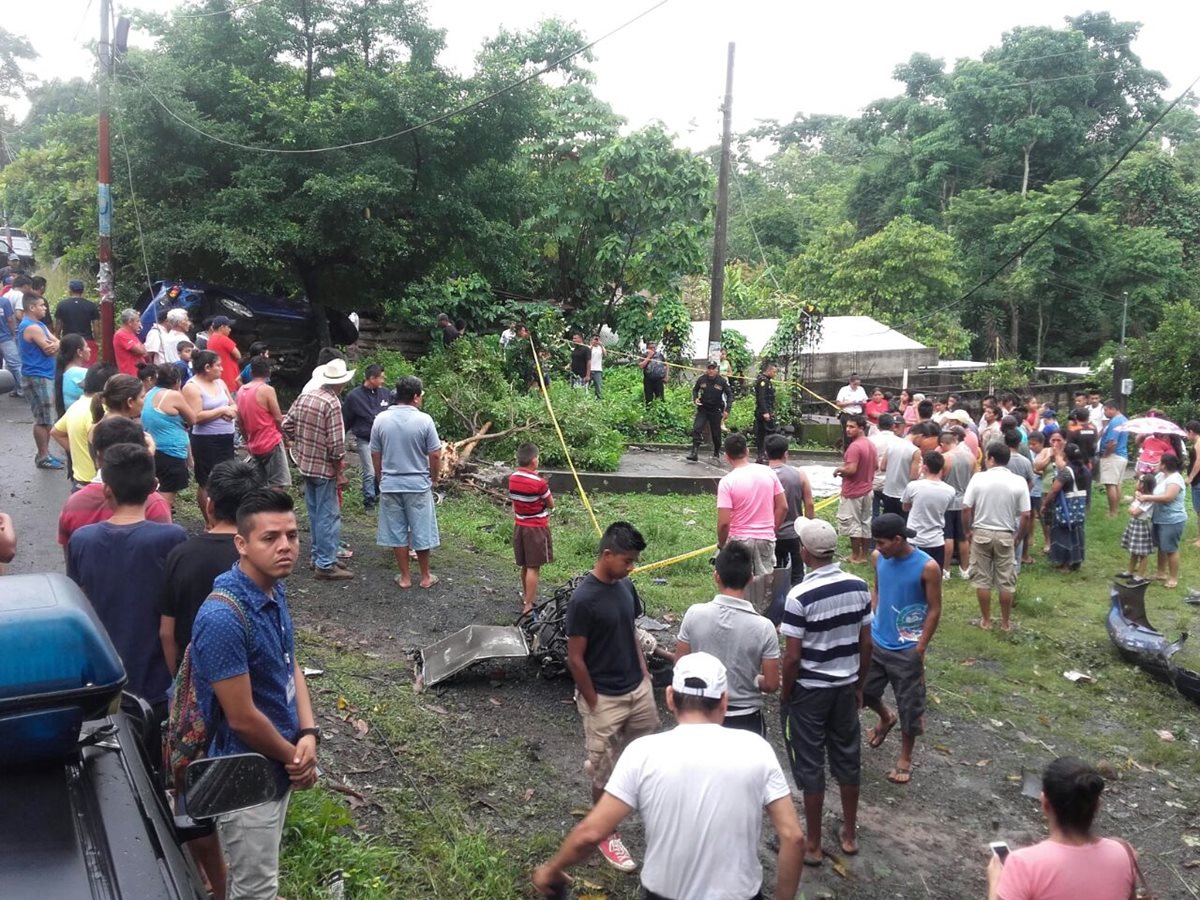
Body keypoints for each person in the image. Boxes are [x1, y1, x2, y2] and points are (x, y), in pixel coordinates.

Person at [532, 652, 803, 900]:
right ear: (724, 702)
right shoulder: (756, 748)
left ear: (670, 697)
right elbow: (792, 837)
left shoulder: (643, 753)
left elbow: (592, 833)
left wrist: (552, 868)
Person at [190, 488, 320, 900]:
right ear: (241, 544)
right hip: (245, 776)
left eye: (292, 535)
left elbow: (289, 663)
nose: (285, 547)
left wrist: (309, 732)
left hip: (281, 759)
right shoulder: (223, 616)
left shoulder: (272, 589)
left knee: (262, 873)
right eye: (270, 538)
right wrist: (295, 758)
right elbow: (241, 717)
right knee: (254, 889)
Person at [67, 443, 187, 735]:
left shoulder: (82, 540)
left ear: (106, 490)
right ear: (154, 486)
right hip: (158, 682)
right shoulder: (172, 537)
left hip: (103, 681)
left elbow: (78, 604)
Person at [564, 521, 660, 873]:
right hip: (604, 698)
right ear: (607, 555)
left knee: (643, 754)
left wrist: (644, 674)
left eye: (634, 561)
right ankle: (606, 831)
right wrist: (593, 702)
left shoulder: (625, 587)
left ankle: (642, 807)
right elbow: (575, 658)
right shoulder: (583, 600)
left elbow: (630, 633)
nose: (632, 567)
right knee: (603, 772)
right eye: (628, 560)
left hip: (637, 690)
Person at [780, 516, 872, 862]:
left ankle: (814, 844)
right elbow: (866, 643)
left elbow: (791, 657)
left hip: (810, 690)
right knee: (848, 757)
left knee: (810, 762)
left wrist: (787, 694)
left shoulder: (799, 595)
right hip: (845, 686)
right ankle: (849, 833)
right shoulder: (859, 586)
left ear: (804, 553)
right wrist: (859, 683)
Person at [986, 757, 1138, 900]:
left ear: (1044, 803)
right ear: (1098, 805)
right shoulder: (1124, 853)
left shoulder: (1024, 864)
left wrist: (995, 881)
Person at [864, 513, 941, 786]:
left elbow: (934, 609)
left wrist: (920, 648)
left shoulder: (927, 567)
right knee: (863, 693)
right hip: (877, 641)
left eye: (882, 543)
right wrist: (872, 619)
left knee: (910, 704)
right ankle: (886, 717)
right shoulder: (878, 558)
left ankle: (905, 757)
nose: (878, 548)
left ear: (898, 540)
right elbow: (878, 590)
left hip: (907, 648)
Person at [676, 542, 779, 736]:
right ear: (750, 579)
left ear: (716, 576)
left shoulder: (694, 614)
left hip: (701, 712)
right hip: (746, 719)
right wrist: (753, 679)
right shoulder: (764, 627)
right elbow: (772, 684)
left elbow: (680, 663)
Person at [283, 358, 356, 581]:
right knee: (328, 515)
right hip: (324, 468)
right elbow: (335, 445)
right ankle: (325, 564)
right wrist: (340, 470)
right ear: (340, 383)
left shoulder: (306, 396)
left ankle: (320, 556)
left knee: (315, 513)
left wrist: (301, 442)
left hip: (306, 464)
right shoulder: (332, 403)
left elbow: (286, 424)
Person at [370, 374, 441, 589]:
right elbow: (435, 454)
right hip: (418, 483)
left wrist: (380, 476)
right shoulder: (424, 420)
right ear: (416, 397)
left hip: (391, 483)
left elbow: (375, 452)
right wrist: (434, 478)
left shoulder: (381, 419)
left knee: (396, 531)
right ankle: (426, 576)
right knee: (421, 529)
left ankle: (405, 577)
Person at [962, 444, 1032, 631]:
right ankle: (1006, 622)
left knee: (982, 579)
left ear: (991, 458)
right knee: (1005, 580)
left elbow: (967, 507)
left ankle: (986, 620)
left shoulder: (979, 478)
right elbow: (1026, 514)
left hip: (981, 532)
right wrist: (1019, 537)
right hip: (1006, 533)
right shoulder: (1019, 481)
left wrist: (968, 531)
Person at [716, 433, 787, 580]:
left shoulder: (727, 482)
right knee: (764, 585)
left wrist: (722, 545)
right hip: (765, 538)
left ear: (727, 456)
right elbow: (783, 507)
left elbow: (724, 523)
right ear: (747, 451)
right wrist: (770, 530)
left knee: (738, 582)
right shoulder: (768, 472)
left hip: (739, 540)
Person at [184, 350, 238, 527]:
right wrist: (221, 411)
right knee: (206, 480)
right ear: (207, 367)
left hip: (226, 437)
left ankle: (224, 517)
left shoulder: (220, 383)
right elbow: (195, 416)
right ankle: (209, 521)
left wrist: (231, 412)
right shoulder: (192, 387)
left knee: (227, 477)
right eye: (218, 365)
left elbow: (233, 404)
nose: (222, 369)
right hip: (206, 440)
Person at [51, 362, 117, 490]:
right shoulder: (103, 412)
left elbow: (56, 432)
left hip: (79, 481)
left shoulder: (76, 406)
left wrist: (78, 450)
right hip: (98, 482)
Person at [18, 293, 64, 469]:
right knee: (43, 419)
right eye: (41, 305)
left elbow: (57, 342)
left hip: (44, 374)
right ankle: (43, 456)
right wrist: (56, 345)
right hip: (37, 376)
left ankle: (45, 454)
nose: (45, 308)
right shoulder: (32, 327)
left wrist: (57, 344)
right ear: (31, 307)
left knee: (47, 417)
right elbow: (49, 349)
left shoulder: (40, 325)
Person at [141, 364, 197, 507]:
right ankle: (161, 525)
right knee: (166, 499)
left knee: (154, 493)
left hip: (152, 449)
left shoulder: (150, 392)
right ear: (177, 381)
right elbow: (193, 419)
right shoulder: (173, 395)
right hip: (171, 452)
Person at [763, 433, 814, 586]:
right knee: (797, 575)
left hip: (769, 534)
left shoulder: (761, 476)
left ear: (766, 453)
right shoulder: (799, 474)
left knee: (771, 576)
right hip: (794, 533)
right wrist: (808, 530)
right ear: (786, 454)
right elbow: (809, 505)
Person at [509, 442, 554, 615]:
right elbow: (550, 503)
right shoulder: (540, 483)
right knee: (534, 567)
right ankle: (528, 605)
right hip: (536, 528)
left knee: (525, 565)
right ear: (534, 460)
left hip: (520, 526)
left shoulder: (512, 478)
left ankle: (527, 596)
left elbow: (515, 501)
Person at [342, 364, 393, 510]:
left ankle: (378, 494)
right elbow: (346, 419)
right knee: (369, 471)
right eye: (381, 377)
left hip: (383, 439)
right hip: (365, 439)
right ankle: (368, 501)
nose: (384, 380)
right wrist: (341, 438)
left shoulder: (385, 394)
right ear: (372, 378)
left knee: (382, 469)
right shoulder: (354, 397)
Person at [236, 356, 290, 488]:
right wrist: (286, 438)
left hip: (254, 444)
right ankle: (275, 509)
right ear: (268, 372)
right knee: (277, 483)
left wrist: (248, 441)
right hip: (271, 442)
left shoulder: (241, 391)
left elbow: (240, 422)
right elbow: (277, 418)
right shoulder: (267, 390)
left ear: (251, 372)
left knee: (259, 484)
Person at [1136, 453, 1188, 589]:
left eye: (1159, 462)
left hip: (1172, 519)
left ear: (1164, 465)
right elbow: (1152, 490)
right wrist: (1141, 491)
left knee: (1171, 548)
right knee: (1161, 546)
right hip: (1159, 518)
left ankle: (1173, 578)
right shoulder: (1160, 476)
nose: (1157, 464)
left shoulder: (1175, 479)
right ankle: (1161, 573)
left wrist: (1146, 497)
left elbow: (1168, 498)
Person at [902, 450, 956, 572]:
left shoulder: (913, 486)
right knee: (934, 577)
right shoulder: (950, 490)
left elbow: (905, 507)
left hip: (915, 538)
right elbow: (947, 509)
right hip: (937, 540)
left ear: (925, 467)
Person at [835, 415, 877, 565]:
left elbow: (851, 470)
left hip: (854, 491)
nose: (848, 429)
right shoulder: (870, 444)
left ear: (861, 428)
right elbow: (876, 466)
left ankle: (854, 555)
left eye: (852, 427)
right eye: (847, 426)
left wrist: (839, 469)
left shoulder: (855, 446)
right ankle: (864, 556)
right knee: (866, 523)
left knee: (853, 524)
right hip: (868, 489)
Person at [1046, 442, 1091, 573]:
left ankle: (1064, 564)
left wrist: (1045, 504)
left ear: (1066, 455)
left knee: (1063, 534)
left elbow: (1054, 490)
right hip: (1080, 508)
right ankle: (1076, 561)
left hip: (1065, 508)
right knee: (1077, 533)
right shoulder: (1085, 470)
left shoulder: (1066, 472)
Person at [939, 427, 975, 580]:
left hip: (948, 501)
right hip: (965, 500)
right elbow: (973, 477)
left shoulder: (945, 458)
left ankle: (945, 569)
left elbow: (940, 479)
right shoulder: (971, 457)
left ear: (942, 444)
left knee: (947, 536)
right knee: (963, 537)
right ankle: (965, 569)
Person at [686, 360, 731, 461]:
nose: (711, 371)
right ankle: (694, 452)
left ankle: (716, 452)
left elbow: (730, 395)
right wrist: (695, 398)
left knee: (716, 433)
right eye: (709, 368)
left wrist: (727, 410)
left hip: (716, 409)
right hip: (703, 408)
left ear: (717, 370)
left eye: (713, 369)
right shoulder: (702, 379)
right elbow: (695, 389)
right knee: (696, 428)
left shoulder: (722, 381)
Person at [881, 414, 920, 517]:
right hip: (903, 494)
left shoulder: (891, 445)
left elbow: (883, 467)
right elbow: (913, 476)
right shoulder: (915, 450)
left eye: (898, 426)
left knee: (889, 523)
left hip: (888, 491)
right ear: (920, 435)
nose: (895, 429)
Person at [1118, 474, 1156, 581]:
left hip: (1141, 525)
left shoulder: (1148, 500)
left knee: (1143, 553)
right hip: (1134, 524)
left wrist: (1133, 506)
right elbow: (1132, 509)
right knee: (1134, 551)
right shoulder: (1140, 497)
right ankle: (1129, 571)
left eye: (1139, 482)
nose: (1136, 484)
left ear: (1144, 485)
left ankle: (1139, 576)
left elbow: (1134, 512)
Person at [53, 279, 100, 360]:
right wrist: (97, 340)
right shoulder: (91, 305)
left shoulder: (62, 305)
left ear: (70, 290)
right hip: (86, 340)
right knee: (88, 367)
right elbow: (96, 325)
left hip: (68, 340)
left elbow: (58, 323)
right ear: (82, 291)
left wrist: (57, 337)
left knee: (69, 365)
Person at [1097, 400, 1129, 517]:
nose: (1105, 413)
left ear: (1112, 409)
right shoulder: (1124, 419)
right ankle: (1115, 509)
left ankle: (1112, 512)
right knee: (1117, 484)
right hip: (1122, 455)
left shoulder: (1115, 421)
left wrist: (1105, 454)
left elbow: (1112, 442)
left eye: (1105, 410)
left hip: (1113, 456)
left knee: (1110, 484)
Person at [54, 333, 90, 422]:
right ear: (79, 352)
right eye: (86, 347)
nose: (89, 349)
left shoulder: (65, 371)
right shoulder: (80, 373)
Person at [753, 361, 778, 463]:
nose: (775, 374)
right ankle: (765, 454)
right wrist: (765, 412)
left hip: (765, 410)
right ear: (769, 370)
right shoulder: (763, 382)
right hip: (764, 412)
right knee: (769, 433)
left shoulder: (765, 380)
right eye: (774, 372)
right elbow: (761, 398)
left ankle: (762, 455)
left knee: (762, 433)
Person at [0, 280, 21, 397]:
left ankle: (16, 388)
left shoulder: (5, 301)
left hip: (5, 337)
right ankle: (21, 389)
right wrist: (13, 333)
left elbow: (10, 320)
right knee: (15, 364)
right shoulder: (4, 302)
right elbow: (10, 320)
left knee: (13, 364)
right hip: (6, 337)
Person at [836, 373, 867, 450]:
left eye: (858, 384)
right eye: (855, 384)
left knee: (859, 434)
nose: (856, 386)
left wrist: (861, 402)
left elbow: (865, 401)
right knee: (847, 436)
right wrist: (851, 402)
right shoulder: (844, 390)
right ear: (850, 382)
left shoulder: (861, 389)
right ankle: (847, 452)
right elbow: (838, 403)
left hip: (858, 414)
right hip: (848, 413)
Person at [113, 308, 147, 376]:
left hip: (138, 374)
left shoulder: (132, 334)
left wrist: (141, 349)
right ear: (130, 323)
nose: (140, 324)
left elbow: (144, 353)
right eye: (137, 321)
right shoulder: (121, 334)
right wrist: (141, 349)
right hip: (130, 375)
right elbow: (141, 351)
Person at [638, 340, 666, 405]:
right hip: (648, 380)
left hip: (658, 380)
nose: (653, 349)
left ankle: (661, 412)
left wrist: (666, 376)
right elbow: (641, 366)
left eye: (654, 347)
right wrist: (649, 356)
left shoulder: (660, 355)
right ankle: (649, 412)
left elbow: (666, 364)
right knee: (648, 399)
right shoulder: (644, 355)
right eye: (651, 348)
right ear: (647, 348)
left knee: (660, 398)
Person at [1188, 420, 1200, 548]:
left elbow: (1199, 462)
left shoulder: (1199, 443)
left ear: (1191, 431)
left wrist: (1191, 477)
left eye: (1187, 432)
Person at [588, 334, 604, 399]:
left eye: (597, 339)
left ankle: (598, 399)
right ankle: (586, 398)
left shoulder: (600, 348)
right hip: (589, 369)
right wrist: (592, 345)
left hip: (598, 370)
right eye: (595, 339)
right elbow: (588, 354)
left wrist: (602, 345)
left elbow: (605, 354)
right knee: (586, 385)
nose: (596, 341)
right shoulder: (589, 347)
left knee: (598, 386)